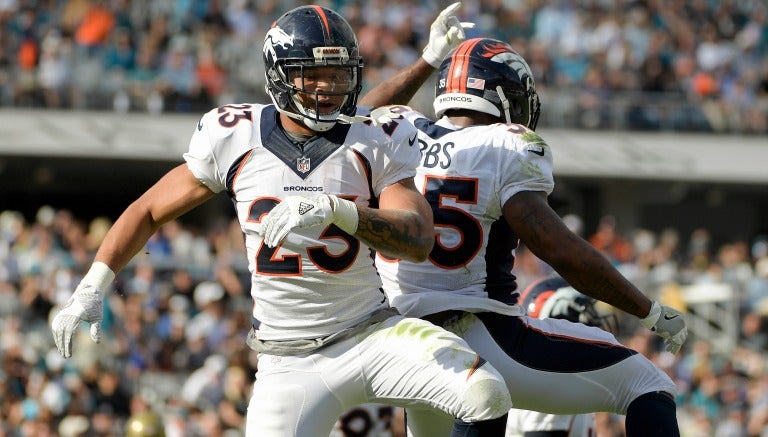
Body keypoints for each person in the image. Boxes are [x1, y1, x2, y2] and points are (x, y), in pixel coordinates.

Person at [50, 5, 513, 437]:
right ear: (279, 75)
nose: (328, 88)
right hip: (285, 361)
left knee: (484, 392)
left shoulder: (374, 137)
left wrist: (341, 211)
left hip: (371, 333)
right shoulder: (233, 134)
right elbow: (148, 209)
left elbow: (416, 238)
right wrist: (93, 284)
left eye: (338, 75)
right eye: (313, 76)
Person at [359, 34, 687, 436]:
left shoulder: (395, 125)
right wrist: (648, 309)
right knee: (647, 383)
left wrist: (426, 60)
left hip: (401, 338)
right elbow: (557, 248)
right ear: (502, 94)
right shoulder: (506, 145)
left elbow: (359, 113)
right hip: (476, 332)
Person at [506, 275, 617, 437]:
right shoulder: (551, 379)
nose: (594, 329)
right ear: (559, 323)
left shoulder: (550, 374)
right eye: (585, 321)